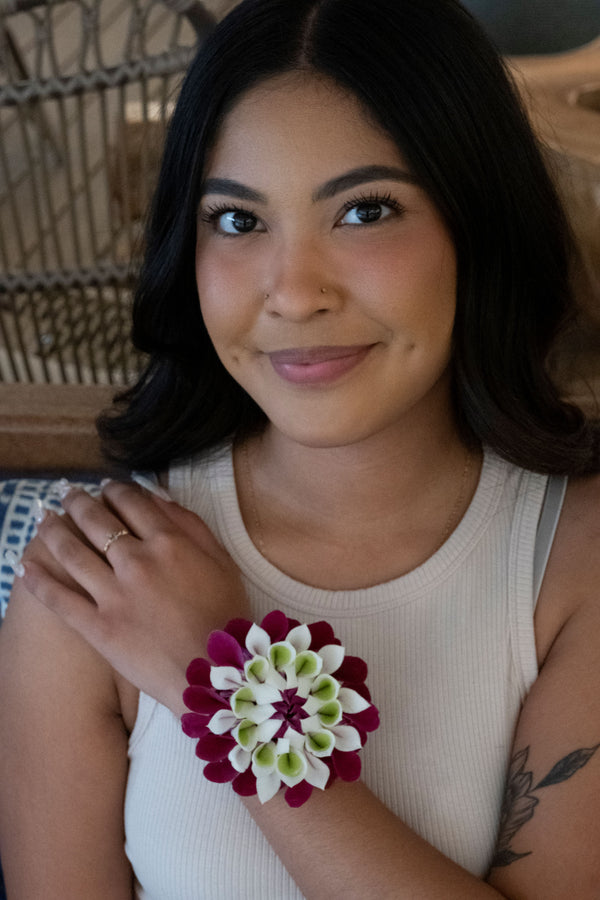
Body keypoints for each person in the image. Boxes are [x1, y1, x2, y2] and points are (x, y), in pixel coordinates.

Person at [1, 0, 599, 896]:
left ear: (480, 223)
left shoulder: (575, 562)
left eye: (365, 211)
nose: (293, 293)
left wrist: (226, 674)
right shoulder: (98, 577)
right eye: (238, 221)